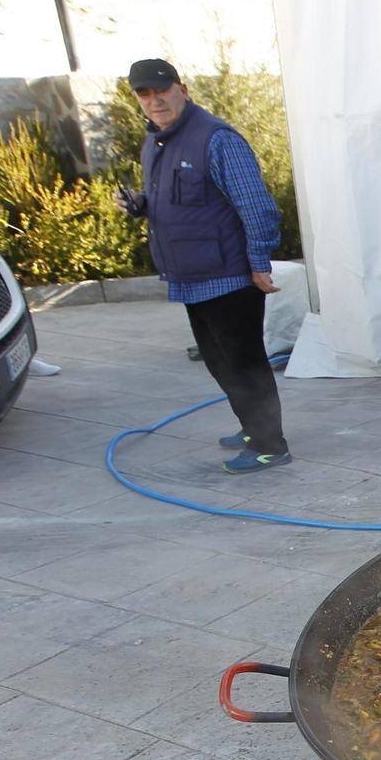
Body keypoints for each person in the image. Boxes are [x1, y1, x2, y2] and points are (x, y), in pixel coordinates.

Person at [112, 58, 289, 474]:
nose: (155, 101)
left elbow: (256, 205)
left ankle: (270, 445)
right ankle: (252, 427)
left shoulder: (216, 138)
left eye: (162, 90)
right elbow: (176, 200)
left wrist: (259, 262)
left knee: (244, 362)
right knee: (218, 361)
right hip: (193, 277)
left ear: (183, 89)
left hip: (230, 275)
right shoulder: (157, 140)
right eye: (144, 94)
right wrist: (138, 205)